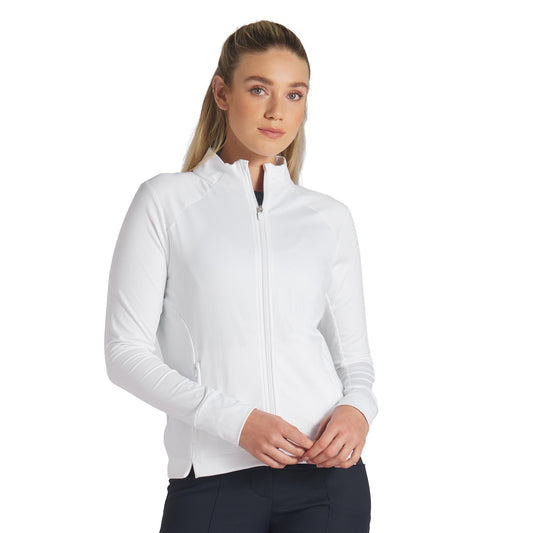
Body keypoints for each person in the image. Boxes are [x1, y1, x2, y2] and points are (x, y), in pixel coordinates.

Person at [104, 20, 378, 533]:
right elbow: (125, 353)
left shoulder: (329, 218)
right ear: (222, 93)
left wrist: (357, 411)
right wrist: (236, 422)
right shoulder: (166, 202)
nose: (278, 111)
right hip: (212, 479)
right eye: (259, 89)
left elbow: (354, 362)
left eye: (294, 94)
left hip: (326, 479)